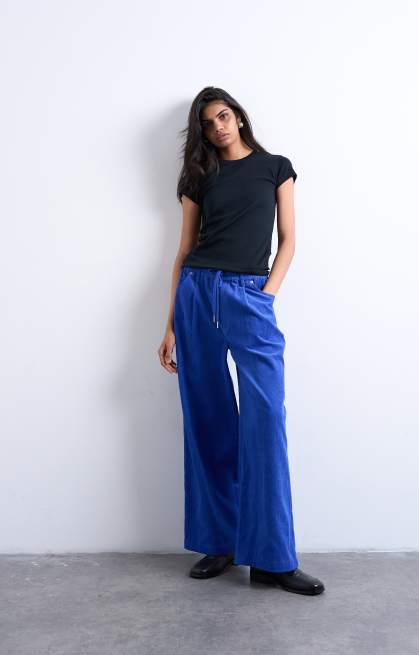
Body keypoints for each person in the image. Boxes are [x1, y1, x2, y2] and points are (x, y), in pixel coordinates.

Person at [158, 86, 325, 595]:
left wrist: (265, 297)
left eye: (223, 116)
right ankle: (221, 542)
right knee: (208, 421)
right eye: (208, 123)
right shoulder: (198, 177)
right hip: (196, 294)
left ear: (238, 116)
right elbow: (184, 248)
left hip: (250, 296)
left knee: (265, 419)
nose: (218, 127)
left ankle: (273, 557)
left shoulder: (276, 167)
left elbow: (289, 241)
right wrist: (170, 324)